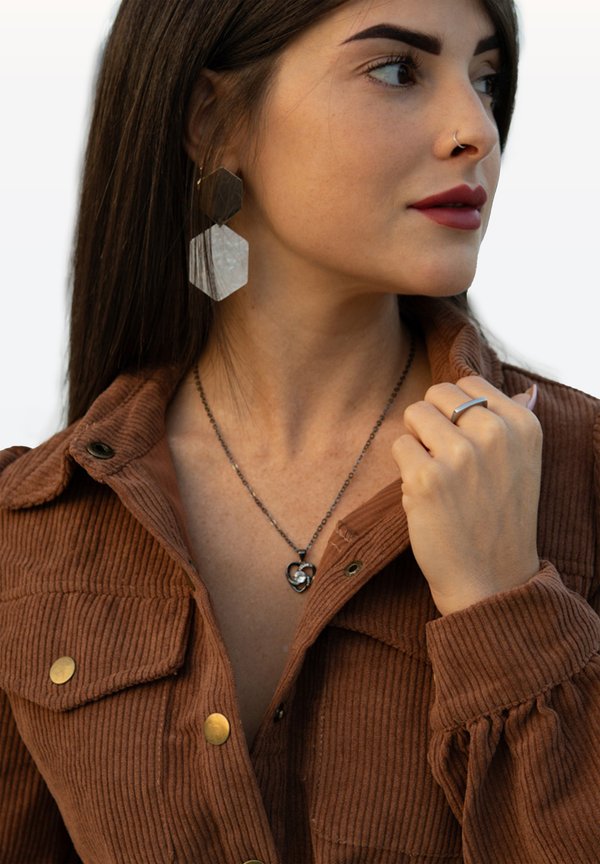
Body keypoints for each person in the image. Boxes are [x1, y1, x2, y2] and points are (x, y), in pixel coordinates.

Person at [1, 0, 599, 861]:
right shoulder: (33, 526)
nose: (476, 129)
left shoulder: (581, 477)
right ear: (211, 122)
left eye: (487, 79)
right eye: (396, 70)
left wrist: (504, 605)